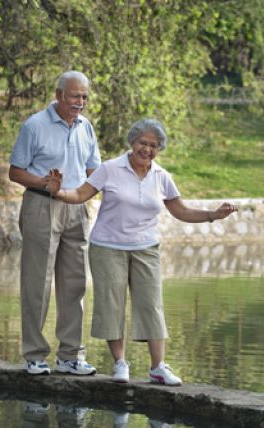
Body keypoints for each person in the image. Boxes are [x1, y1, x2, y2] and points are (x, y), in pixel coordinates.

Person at [46, 118, 238, 386]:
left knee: (151, 305)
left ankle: (158, 367)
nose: (147, 149)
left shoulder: (162, 176)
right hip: (107, 247)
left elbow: (180, 210)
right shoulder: (110, 168)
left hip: (146, 248)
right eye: (143, 143)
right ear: (132, 143)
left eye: (154, 145)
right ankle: (120, 363)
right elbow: (80, 194)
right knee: (112, 305)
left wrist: (212, 215)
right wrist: (58, 193)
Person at [9, 70, 101, 376]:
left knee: (75, 284)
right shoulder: (35, 125)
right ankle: (35, 355)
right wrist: (44, 182)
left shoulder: (86, 127)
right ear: (59, 94)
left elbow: (94, 172)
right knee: (37, 283)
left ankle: (71, 356)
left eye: (85, 97)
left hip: (77, 208)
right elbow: (15, 172)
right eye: (75, 96)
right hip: (41, 205)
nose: (81, 102)